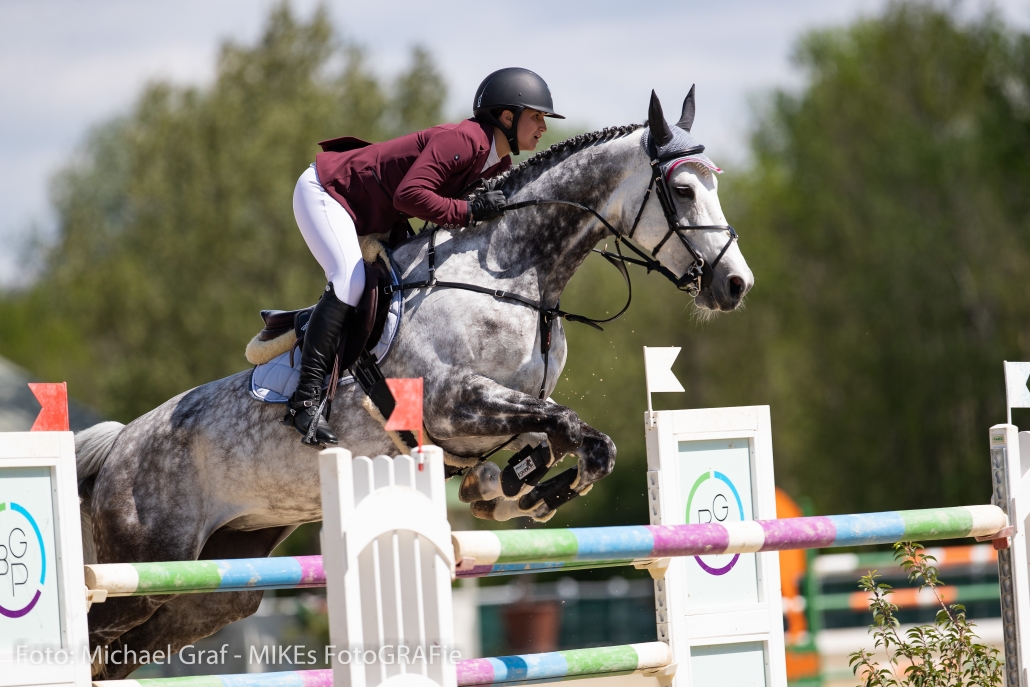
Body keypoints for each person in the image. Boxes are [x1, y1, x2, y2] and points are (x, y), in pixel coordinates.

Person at [284, 67, 565, 446]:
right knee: (348, 281)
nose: (543, 127)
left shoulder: (499, 164)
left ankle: (390, 396)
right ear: (506, 117)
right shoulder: (465, 140)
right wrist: (469, 211)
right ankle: (305, 400)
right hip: (330, 192)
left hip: (377, 213)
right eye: (537, 116)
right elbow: (410, 196)